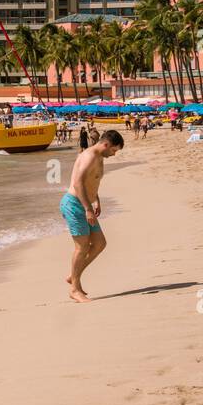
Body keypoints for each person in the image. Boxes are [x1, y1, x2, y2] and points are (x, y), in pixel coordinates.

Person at [60, 129, 125, 303]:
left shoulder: (99, 156)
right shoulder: (89, 156)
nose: (114, 154)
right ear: (106, 144)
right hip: (75, 204)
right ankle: (74, 288)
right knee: (82, 247)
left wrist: (96, 200)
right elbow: (78, 182)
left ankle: (74, 275)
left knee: (99, 243)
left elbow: (92, 181)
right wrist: (88, 209)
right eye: (114, 150)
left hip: (86, 203)